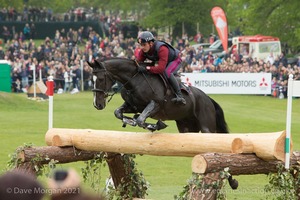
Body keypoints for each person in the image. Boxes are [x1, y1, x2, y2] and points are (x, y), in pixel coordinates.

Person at [136, 31, 186, 105]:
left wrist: (147, 68)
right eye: (141, 45)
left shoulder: (162, 48)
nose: (142, 47)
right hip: (165, 62)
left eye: (144, 45)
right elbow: (137, 63)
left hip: (175, 60)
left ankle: (180, 96)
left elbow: (160, 69)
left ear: (151, 43)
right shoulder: (143, 51)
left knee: (167, 72)